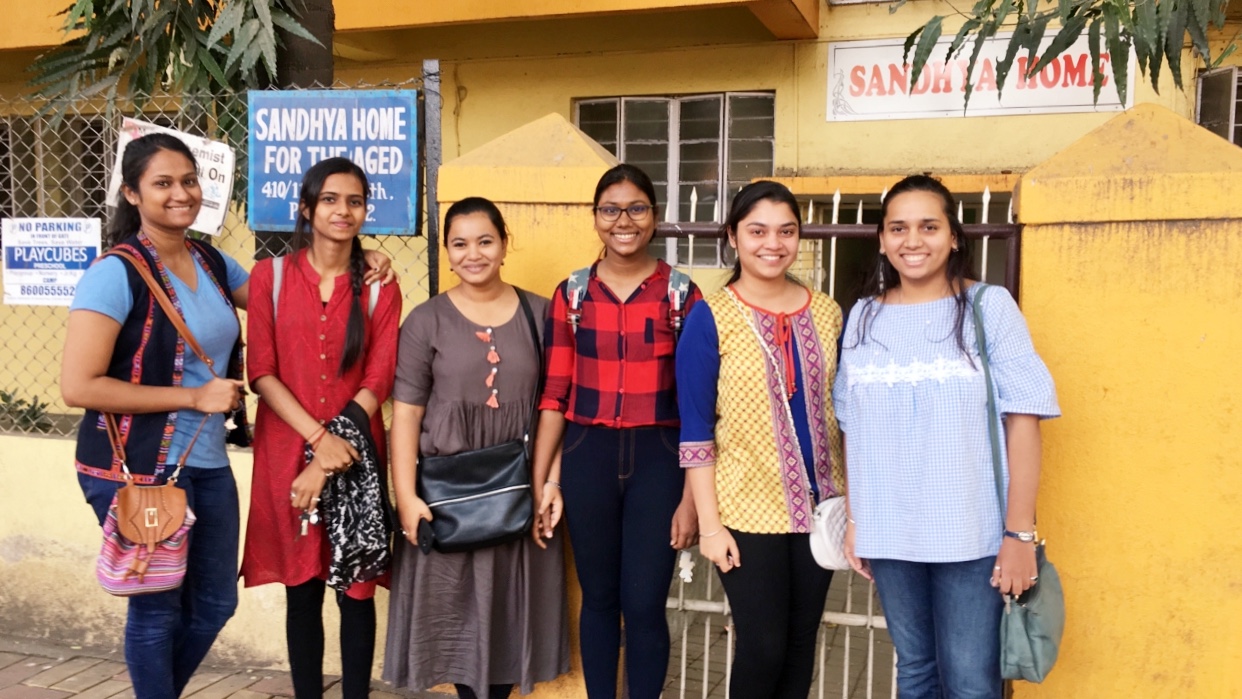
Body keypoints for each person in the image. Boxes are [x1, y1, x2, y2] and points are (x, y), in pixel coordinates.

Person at [60, 133, 393, 699]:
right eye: (162, 183)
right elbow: (77, 386)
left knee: (215, 602)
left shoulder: (210, 261)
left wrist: (364, 256)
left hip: (205, 460)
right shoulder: (114, 273)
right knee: (158, 608)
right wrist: (193, 398)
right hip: (140, 465)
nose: (181, 193)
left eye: (189, 180)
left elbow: (294, 291)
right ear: (132, 193)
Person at [834, 175, 1060, 699]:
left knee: (970, 682)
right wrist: (856, 519)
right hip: (890, 531)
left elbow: (1023, 418)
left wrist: (1019, 535)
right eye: (899, 228)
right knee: (914, 671)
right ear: (884, 240)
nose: (913, 241)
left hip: (971, 533)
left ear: (954, 237)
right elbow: (853, 425)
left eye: (929, 226)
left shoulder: (988, 307)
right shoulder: (864, 316)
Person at [384, 197, 570, 699]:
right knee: (457, 625)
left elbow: (557, 406)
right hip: (450, 498)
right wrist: (406, 497)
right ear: (446, 252)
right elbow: (406, 415)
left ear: (505, 244)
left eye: (485, 241)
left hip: (519, 492)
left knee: (511, 623)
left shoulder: (541, 314)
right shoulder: (426, 322)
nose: (474, 254)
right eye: (460, 243)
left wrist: (550, 483)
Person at [530, 163, 702, 699]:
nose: (622, 221)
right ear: (595, 218)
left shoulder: (681, 294)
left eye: (636, 209)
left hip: (660, 457)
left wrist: (694, 498)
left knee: (646, 602)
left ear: (654, 217)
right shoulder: (573, 295)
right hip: (589, 455)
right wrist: (544, 482)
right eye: (610, 209)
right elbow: (555, 396)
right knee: (600, 598)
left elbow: (699, 406)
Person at [675, 181, 843, 699]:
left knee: (799, 645)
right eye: (757, 231)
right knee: (762, 645)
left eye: (786, 231)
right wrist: (709, 526)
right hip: (745, 513)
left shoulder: (829, 312)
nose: (773, 243)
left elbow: (844, 412)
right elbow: (697, 431)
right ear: (733, 237)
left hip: (820, 508)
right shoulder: (710, 317)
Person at [240, 157, 401, 699]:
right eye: (330, 200)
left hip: (357, 456)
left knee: (355, 590)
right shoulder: (271, 277)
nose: (342, 211)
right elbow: (260, 370)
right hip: (288, 450)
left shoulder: (380, 285)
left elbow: (379, 376)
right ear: (306, 209)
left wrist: (334, 448)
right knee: (302, 586)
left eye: (354, 201)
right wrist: (316, 442)